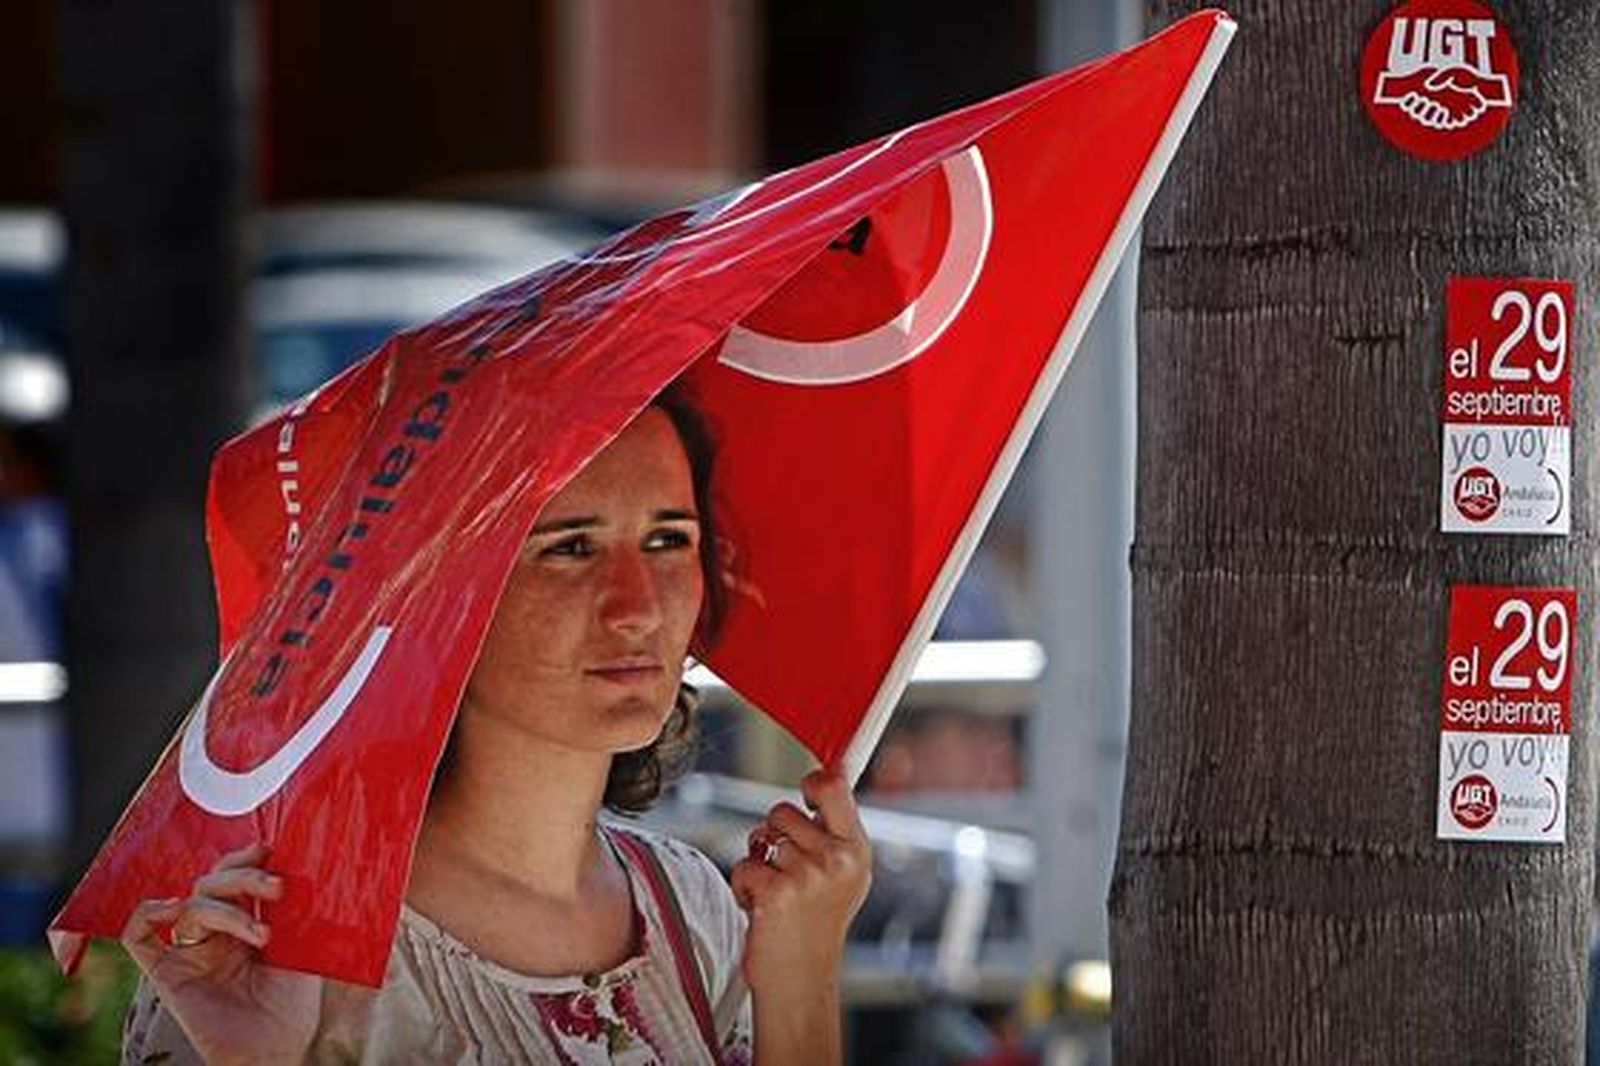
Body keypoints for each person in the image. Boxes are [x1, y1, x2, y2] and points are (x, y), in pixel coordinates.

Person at [117, 395, 874, 1064]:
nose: (638, 606)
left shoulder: (692, 907)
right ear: (444, 592)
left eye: (668, 539)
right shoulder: (275, 942)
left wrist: (802, 983)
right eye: (571, 548)